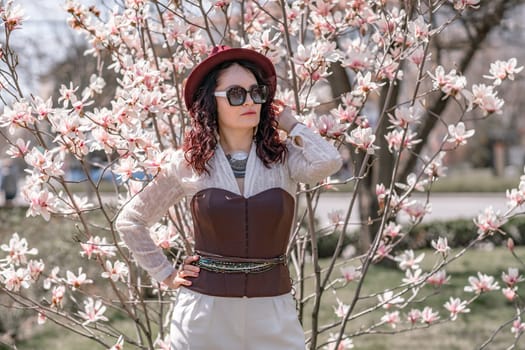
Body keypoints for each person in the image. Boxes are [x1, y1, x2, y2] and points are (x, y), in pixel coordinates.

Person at [116, 45, 343, 349]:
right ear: (212, 103)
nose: (250, 101)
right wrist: (166, 274)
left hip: (273, 310)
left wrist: (291, 123)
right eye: (236, 94)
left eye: (257, 92)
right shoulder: (188, 164)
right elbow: (131, 220)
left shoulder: (283, 159)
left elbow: (329, 162)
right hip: (203, 313)